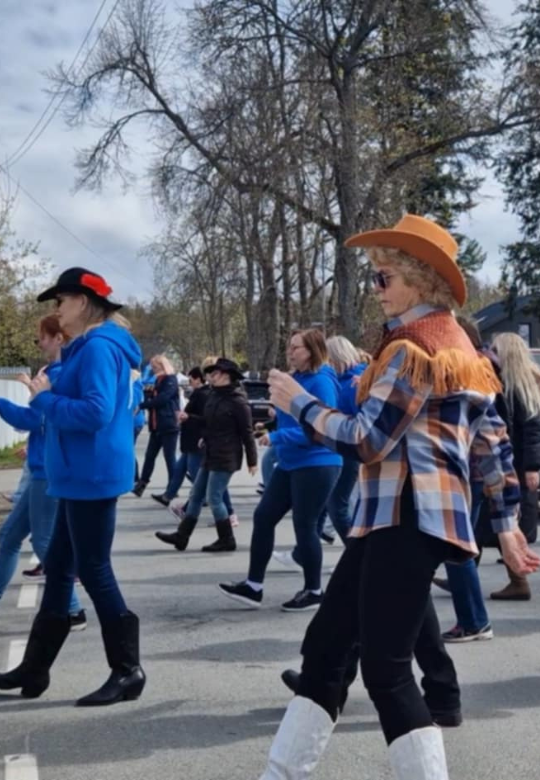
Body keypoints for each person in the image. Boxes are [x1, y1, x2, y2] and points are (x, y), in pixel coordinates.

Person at [259, 215, 538, 779]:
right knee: (327, 649)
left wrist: (297, 403)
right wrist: (506, 524)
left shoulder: (415, 346)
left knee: (384, 669)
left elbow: (366, 439)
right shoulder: (461, 345)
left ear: (420, 279)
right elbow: (492, 445)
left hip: (405, 514)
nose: (375, 289)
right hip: (397, 517)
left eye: (382, 278)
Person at [0, 267, 145, 706]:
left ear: (83, 302)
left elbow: (96, 412)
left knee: (95, 570)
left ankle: (127, 670)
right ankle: (35, 668)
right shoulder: (90, 347)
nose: (57, 311)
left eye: (60, 302)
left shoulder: (99, 347)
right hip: (79, 476)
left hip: (92, 476)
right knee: (61, 569)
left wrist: (45, 398)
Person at [218, 329, 342, 612]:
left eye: (296, 347)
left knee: (305, 525)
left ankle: (314, 591)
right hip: (290, 462)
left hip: (318, 463)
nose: (290, 351)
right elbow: (292, 420)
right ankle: (253, 587)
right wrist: (272, 426)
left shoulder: (321, 382)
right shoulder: (295, 379)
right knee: (263, 517)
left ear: (312, 350)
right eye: (289, 345)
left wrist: (277, 437)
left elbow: (321, 429)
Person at [0, 315, 85, 628]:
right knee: (8, 538)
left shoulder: (58, 375)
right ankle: (72, 608)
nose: (40, 345)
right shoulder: (56, 373)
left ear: (58, 339)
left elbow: (34, 420)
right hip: (42, 467)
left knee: (43, 543)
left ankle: (73, 609)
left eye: (41, 339)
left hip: (45, 472)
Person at [155, 358, 257, 553]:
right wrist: (200, 430)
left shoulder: (238, 401)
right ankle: (182, 536)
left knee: (214, 497)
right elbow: (210, 421)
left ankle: (227, 539)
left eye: (215, 373)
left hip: (226, 455)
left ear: (227, 376)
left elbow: (247, 432)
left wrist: (252, 460)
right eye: (210, 373)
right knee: (196, 495)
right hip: (211, 452)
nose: (211, 376)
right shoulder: (214, 396)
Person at [489, 332, 540, 601]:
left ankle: (518, 580)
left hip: (517, 463)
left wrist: (532, 467)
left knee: (508, 519)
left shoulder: (518, 387)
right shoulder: (521, 383)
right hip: (514, 461)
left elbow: (531, 431)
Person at [133, 354, 180, 497]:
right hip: (156, 424)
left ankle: (172, 488)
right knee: (149, 456)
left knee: (169, 457)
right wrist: (147, 395)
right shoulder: (158, 381)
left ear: (163, 366)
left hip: (169, 424)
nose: (153, 369)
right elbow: (154, 399)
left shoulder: (170, 379)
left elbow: (163, 399)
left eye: (155, 367)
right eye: (152, 367)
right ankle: (141, 484)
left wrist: (143, 404)